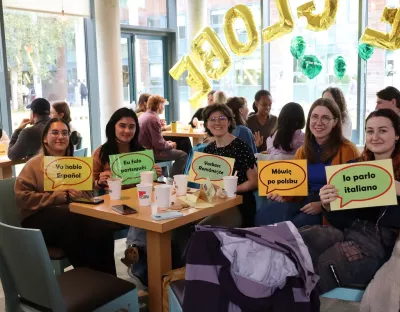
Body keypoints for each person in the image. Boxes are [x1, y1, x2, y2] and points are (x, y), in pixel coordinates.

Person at [304, 108, 400, 294]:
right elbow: (341, 221)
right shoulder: (353, 169)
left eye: (383, 130)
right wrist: (328, 204)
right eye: (370, 131)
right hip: (347, 232)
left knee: (323, 268)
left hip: (378, 245)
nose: (375, 136)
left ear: (397, 135)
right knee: (301, 242)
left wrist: (396, 188)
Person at [15, 118, 116, 275]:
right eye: (54, 132)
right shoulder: (34, 165)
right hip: (37, 218)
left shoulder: (75, 164)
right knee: (77, 226)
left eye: (64, 133)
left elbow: (87, 195)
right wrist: (54, 198)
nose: (60, 137)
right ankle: (91, 279)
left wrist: (79, 194)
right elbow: (22, 198)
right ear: (45, 138)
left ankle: (108, 282)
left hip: (71, 217)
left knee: (103, 229)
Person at [255, 98, 359, 228]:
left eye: (325, 118)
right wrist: (282, 195)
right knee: (263, 214)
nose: (318, 122)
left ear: (335, 122)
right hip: (304, 201)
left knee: (294, 227)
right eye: (314, 117)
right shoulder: (303, 150)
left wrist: (322, 205)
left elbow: (352, 193)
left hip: (330, 208)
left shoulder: (348, 150)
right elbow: (296, 187)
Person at [92, 107, 162, 287]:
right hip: (113, 206)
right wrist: (99, 181)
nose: (127, 131)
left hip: (142, 203)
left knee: (152, 216)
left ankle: (138, 256)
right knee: (143, 218)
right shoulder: (101, 152)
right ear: (113, 127)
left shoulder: (143, 152)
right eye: (122, 126)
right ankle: (142, 269)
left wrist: (156, 173)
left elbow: (151, 183)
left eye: (131, 127)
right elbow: (89, 183)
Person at [202, 103, 258, 227]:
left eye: (222, 118)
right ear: (207, 124)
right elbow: (206, 183)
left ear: (229, 122)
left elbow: (254, 181)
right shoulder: (208, 150)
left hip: (238, 204)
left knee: (202, 229)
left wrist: (230, 190)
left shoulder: (241, 147)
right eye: (212, 119)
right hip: (216, 202)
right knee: (184, 226)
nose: (217, 122)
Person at [139, 95, 188, 176]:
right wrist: (170, 145)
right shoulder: (153, 118)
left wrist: (166, 143)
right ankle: (173, 181)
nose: (164, 107)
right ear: (159, 105)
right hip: (151, 152)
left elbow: (156, 140)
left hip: (144, 150)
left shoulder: (143, 115)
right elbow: (158, 144)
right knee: (183, 155)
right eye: (163, 105)